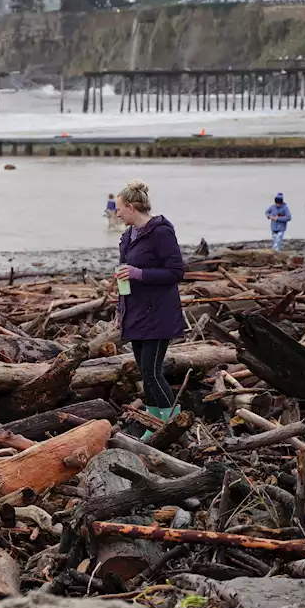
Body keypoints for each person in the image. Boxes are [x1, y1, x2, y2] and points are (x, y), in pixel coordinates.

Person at [112, 179, 185, 438]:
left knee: (153, 372)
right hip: (136, 312)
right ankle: (155, 421)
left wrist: (139, 273)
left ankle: (173, 426)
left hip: (159, 312)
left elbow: (176, 272)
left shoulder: (161, 232)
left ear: (131, 207)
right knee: (145, 372)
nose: (116, 213)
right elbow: (125, 276)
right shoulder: (127, 236)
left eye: (119, 208)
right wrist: (121, 310)